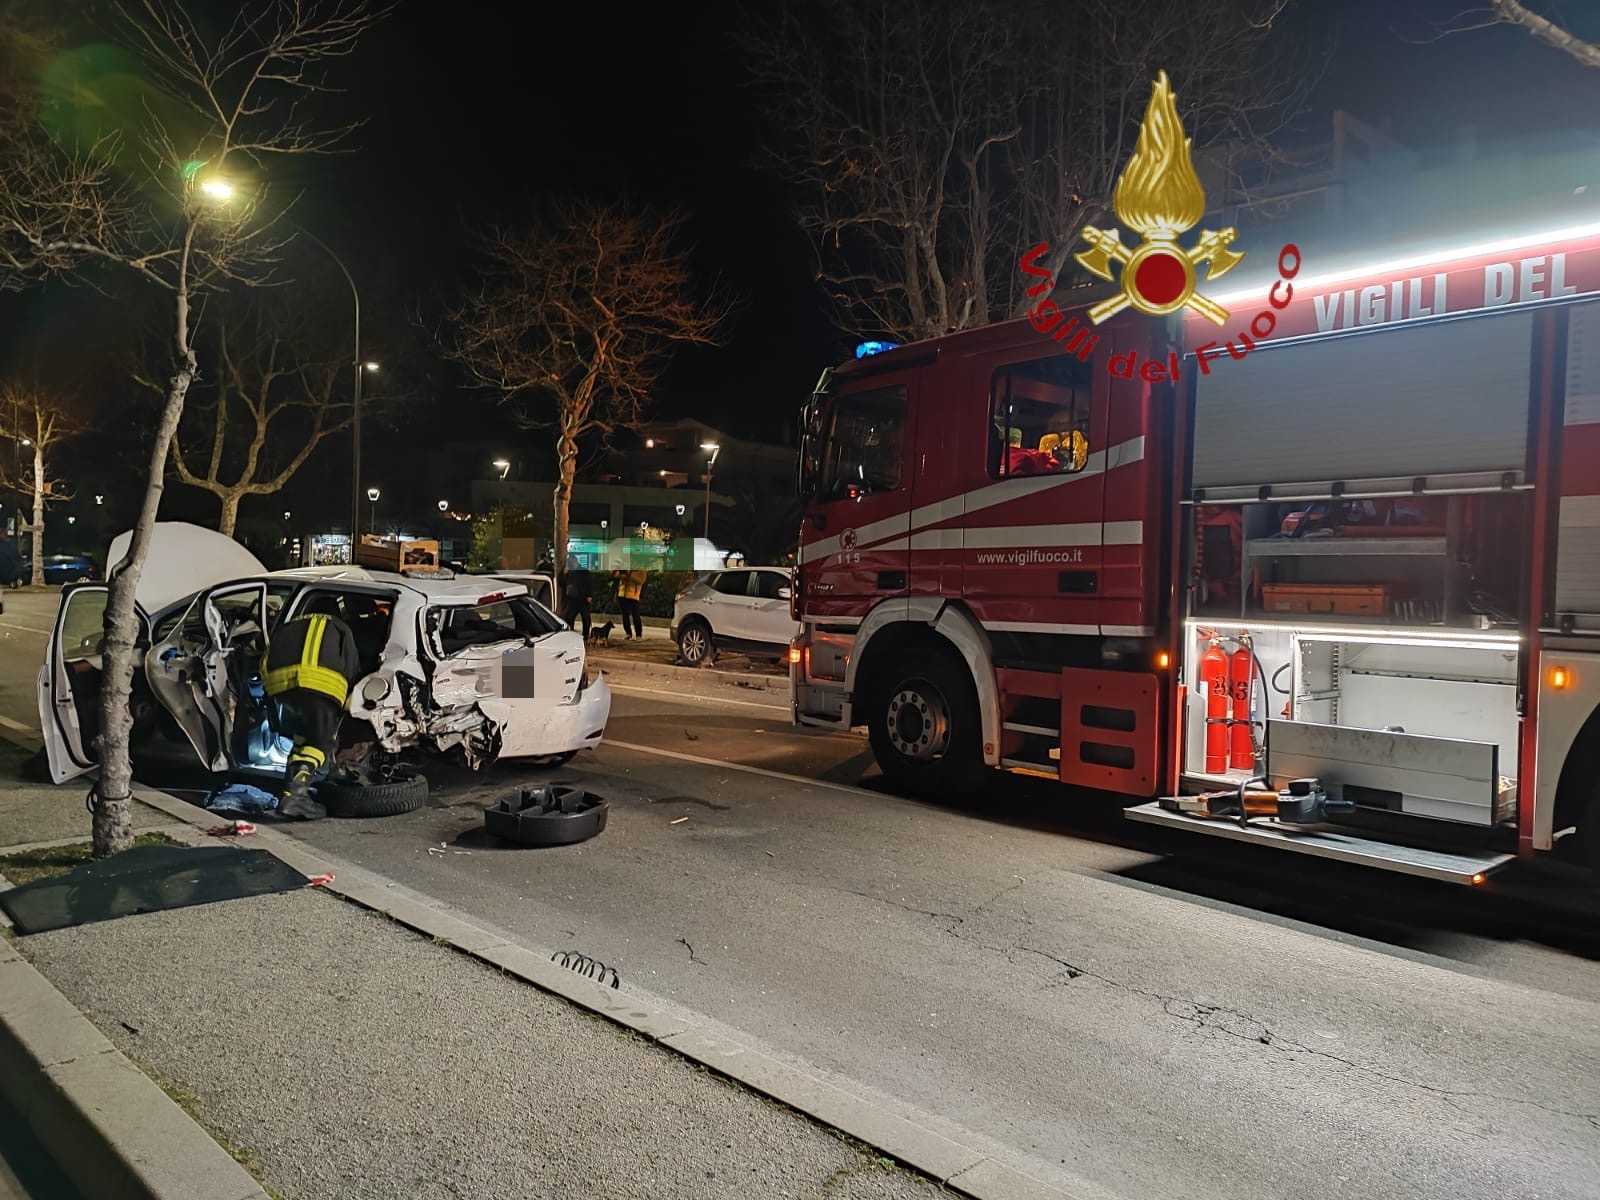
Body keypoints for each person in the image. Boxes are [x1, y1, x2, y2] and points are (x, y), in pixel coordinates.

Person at [260, 602, 361, 820]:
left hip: (280, 684)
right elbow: (352, 666)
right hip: (320, 682)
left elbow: (267, 653)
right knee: (319, 741)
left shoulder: (289, 625)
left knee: (303, 736)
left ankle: (298, 786)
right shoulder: (339, 627)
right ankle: (296, 798)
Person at [560, 554, 593, 639]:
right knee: (569, 617)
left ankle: (585, 635)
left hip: (583, 598)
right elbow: (561, 583)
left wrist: (589, 595)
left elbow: (589, 583)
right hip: (572, 599)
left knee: (586, 618)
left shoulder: (583, 570)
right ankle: (570, 634)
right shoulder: (568, 571)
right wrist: (564, 573)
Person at [615, 568, 647, 640]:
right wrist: (619, 573)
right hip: (622, 594)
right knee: (625, 615)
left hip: (633, 596)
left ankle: (638, 635)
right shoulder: (626, 567)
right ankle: (628, 633)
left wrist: (629, 574)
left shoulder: (641, 570)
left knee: (635, 615)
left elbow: (640, 581)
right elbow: (616, 576)